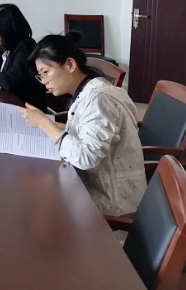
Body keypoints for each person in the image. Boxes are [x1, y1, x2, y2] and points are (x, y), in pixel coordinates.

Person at [19, 34, 146, 217]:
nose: (44, 81)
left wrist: (44, 123)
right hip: (89, 185)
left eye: (46, 72)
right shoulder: (88, 91)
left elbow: (86, 157)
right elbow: (84, 130)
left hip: (111, 202)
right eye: (40, 76)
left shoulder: (99, 98)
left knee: (34, 203)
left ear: (70, 65)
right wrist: (50, 126)